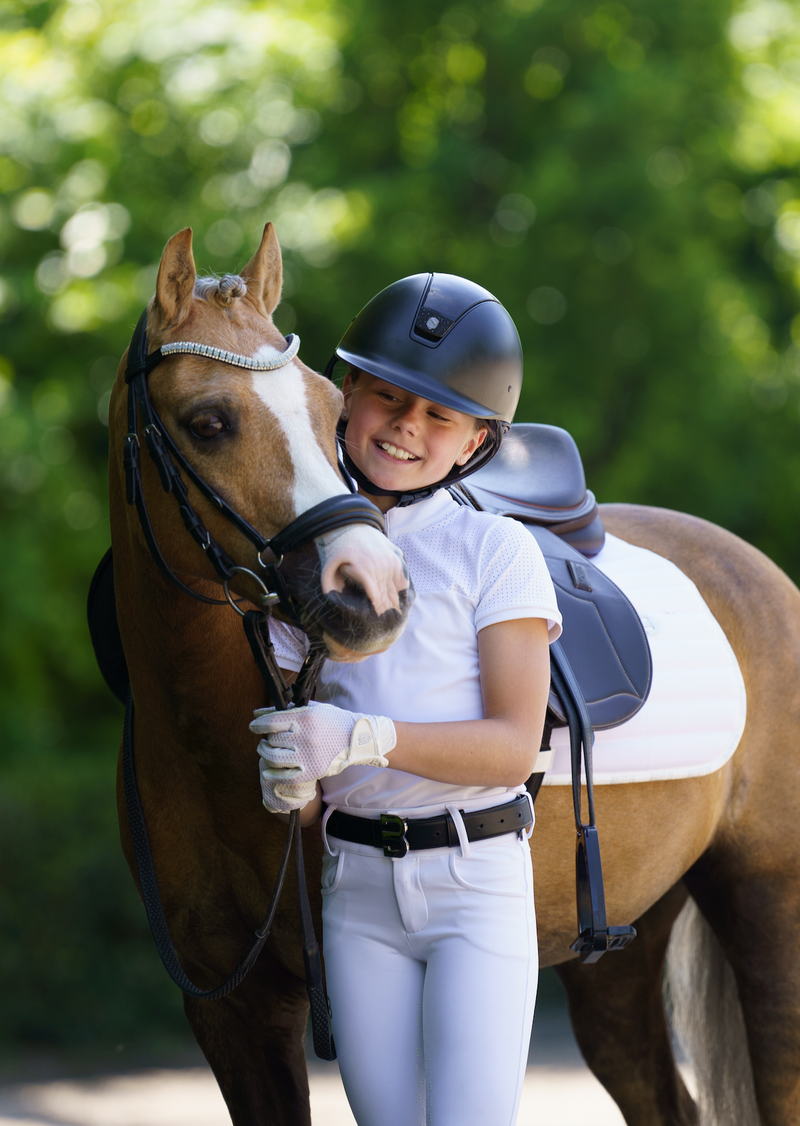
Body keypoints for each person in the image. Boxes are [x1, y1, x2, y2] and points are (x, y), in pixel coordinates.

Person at [251, 272, 562, 1126]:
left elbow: (508, 747)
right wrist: (295, 780)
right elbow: (305, 765)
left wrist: (361, 736)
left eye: (438, 417)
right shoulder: (297, 567)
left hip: (475, 883)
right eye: (386, 397)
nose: (405, 428)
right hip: (356, 888)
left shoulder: (495, 551)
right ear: (343, 395)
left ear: (473, 443)